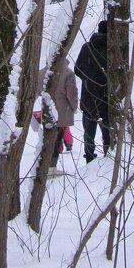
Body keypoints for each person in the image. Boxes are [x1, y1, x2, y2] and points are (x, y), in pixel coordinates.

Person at [74, 21, 111, 163]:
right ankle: (109, 156)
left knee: (89, 131)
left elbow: (77, 69)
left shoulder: (87, 48)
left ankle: (89, 156)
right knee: (107, 130)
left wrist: (88, 78)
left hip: (88, 96)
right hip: (106, 96)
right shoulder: (112, 48)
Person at [37, 57, 79, 171]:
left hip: (47, 110)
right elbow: (72, 93)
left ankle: (44, 166)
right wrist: (74, 106)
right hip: (62, 110)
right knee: (57, 138)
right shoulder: (68, 73)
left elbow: (36, 90)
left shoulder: (41, 72)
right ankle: (51, 167)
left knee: (48, 139)